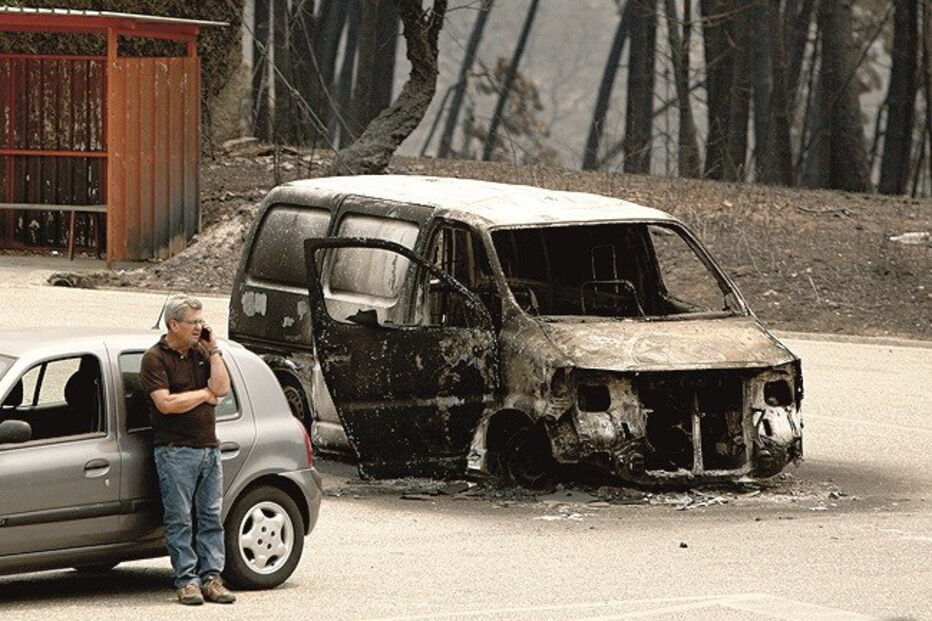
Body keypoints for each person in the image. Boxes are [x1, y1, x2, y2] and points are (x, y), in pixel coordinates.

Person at [140, 295, 236, 605]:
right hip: (175, 450)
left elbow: (221, 388)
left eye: (201, 321)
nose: (200, 327)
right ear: (173, 324)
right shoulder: (154, 358)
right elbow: (166, 404)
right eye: (193, 322)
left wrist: (215, 350)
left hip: (209, 448)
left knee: (210, 517)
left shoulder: (202, 353)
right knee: (180, 519)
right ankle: (187, 581)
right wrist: (204, 394)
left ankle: (212, 578)